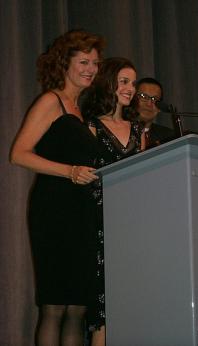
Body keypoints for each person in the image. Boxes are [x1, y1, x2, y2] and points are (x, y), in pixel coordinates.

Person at [10, 29, 105, 346]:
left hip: (82, 213)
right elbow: (18, 154)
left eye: (94, 62)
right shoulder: (51, 101)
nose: (90, 68)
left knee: (78, 307)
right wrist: (70, 171)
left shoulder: (82, 112)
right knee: (54, 306)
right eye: (83, 61)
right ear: (65, 63)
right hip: (54, 210)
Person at [79, 57, 146, 346]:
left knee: (132, 299)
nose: (131, 88)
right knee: (104, 306)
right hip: (101, 222)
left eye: (133, 83)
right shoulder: (90, 126)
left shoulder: (139, 129)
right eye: (124, 81)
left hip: (133, 223)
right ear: (108, 83)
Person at [134, 77, 175, 149]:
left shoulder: (169, 137)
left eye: (155, 99)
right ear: (133, 99)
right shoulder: (121, 131)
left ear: (160, 107)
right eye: (144, 96)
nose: (149, 104)